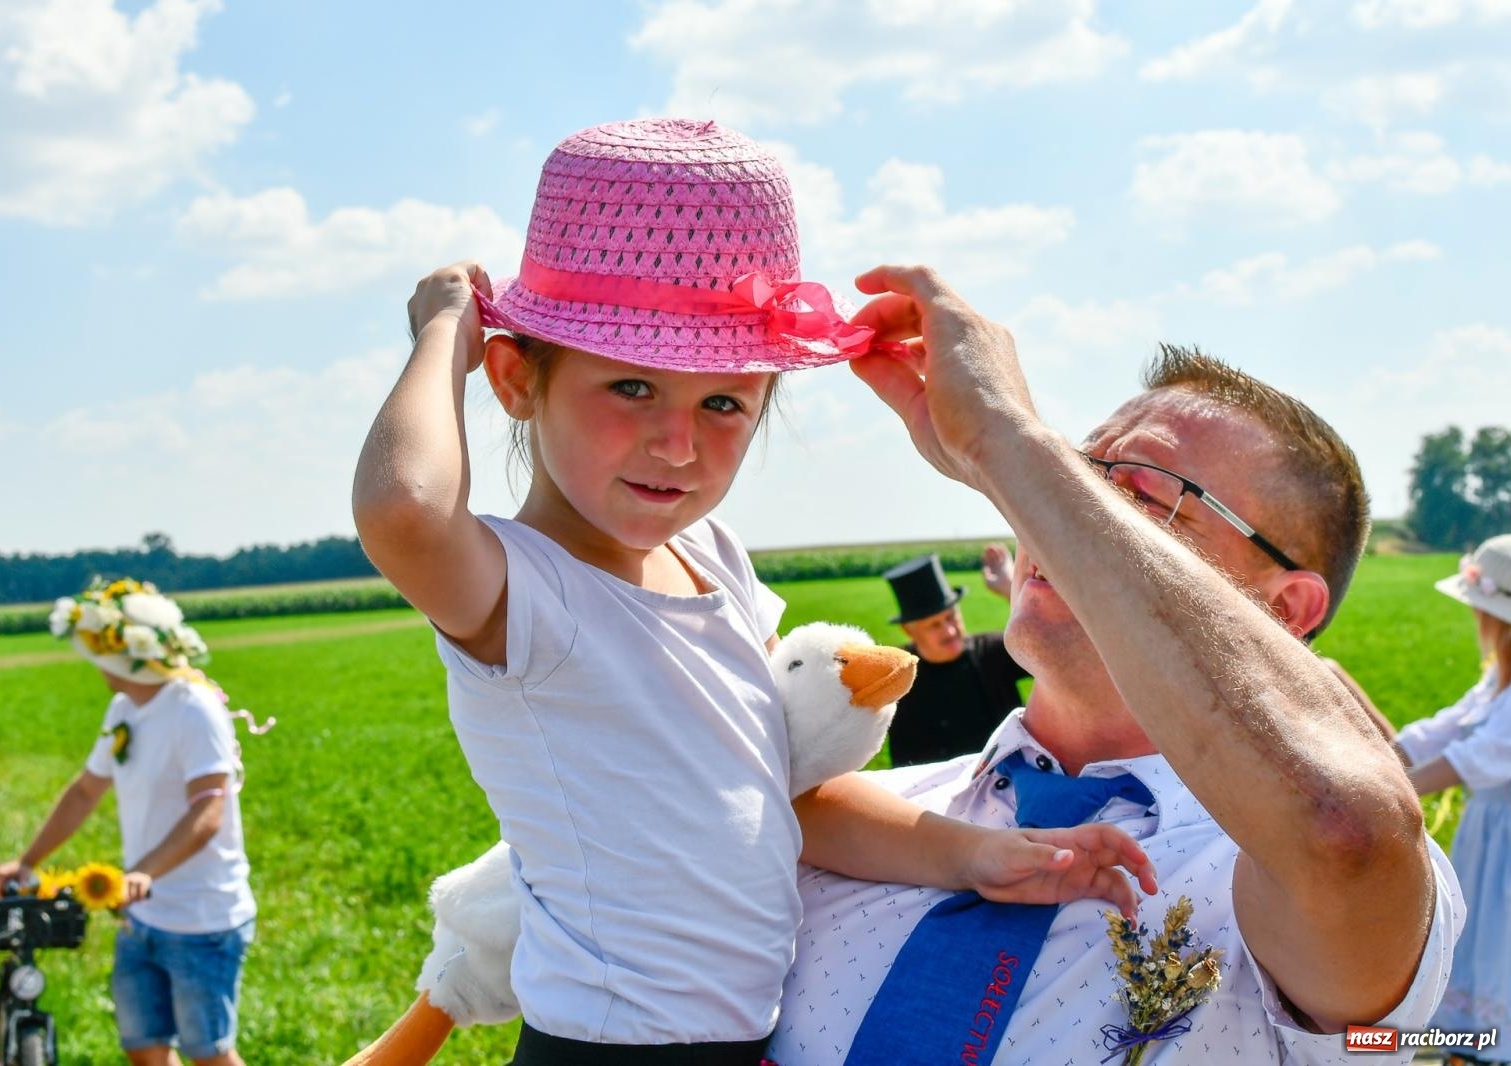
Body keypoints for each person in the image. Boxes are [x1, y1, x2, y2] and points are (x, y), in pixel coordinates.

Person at [350, 120, 1154, 1065]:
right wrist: (447, 324)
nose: (678, 444)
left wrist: (969, 854)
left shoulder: (715, 560)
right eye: (632, 388)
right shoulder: (522, 592)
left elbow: (790, 797)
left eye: (724, 403)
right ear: (517, 377)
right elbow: (405, 510)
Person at [770, 266, 1463, 1065]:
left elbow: (1342, 835)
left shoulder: (1280, 874)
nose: (1066, 516)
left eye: (1139, 491)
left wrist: (1003, 435)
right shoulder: (836, 817)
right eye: (1076, 476)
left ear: (1284, 610)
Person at [0, 579, 255, 1066]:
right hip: (142, 916)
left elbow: (209, 810)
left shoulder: (192, 709)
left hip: (202, 919)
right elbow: (86, 790)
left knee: (210, 1055)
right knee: (144, 1047)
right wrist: (27, 862)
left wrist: (144, 873)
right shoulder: (124, 708)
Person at [1394, 534, 1511, 1065]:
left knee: (1498, 944)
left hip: (1505, 849)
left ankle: (1490, 1046)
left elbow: (1467, 759)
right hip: (1488, 841)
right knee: (1479, 943)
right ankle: (1469, 1046)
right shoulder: (1496, 682)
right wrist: (1376, 755)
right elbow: (1440, 731)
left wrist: (1377, 794)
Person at [883, 546, 1029, 765]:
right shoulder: (893, 673)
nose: (950, 631)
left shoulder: (993, 652)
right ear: (908, 630)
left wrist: (1011, 588)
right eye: (934, 625)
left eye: (951, 617)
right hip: (924, 796)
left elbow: (1060, 650)